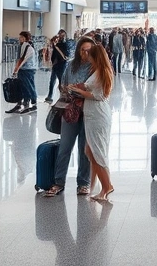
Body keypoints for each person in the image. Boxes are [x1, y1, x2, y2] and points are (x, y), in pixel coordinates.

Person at [44, 37, 93, 197]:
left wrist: (81, 92)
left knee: (84, 149)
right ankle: (59, 182)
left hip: (88, 112)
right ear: (78, 50)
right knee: (65, 147)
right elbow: (62, 85)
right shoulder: (71, 65)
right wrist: (70, 90)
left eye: (89, 50)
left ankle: (83, 183)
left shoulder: (95, 67)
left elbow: (99, 90)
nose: (86, 53)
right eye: (83, 49)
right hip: (70, 110)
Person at [67, 44, 115, 202]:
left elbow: (99, 95)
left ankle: (107, 186)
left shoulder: (103, 72)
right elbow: (91, 86)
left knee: (97, 151)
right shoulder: (96, 70)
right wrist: (80, 86)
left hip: (97, 115)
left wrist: (80, 91)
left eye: (90, 54)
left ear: (96, 57)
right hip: (92, 115)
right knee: (90, 151)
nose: (86, 55)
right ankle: (96, 184)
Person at [7, 31, 38, 114]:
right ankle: (21, 104)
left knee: (28, 86)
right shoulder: (24, 46)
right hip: (26, 69)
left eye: (21, 37)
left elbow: (22, 59)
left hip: (27, 70)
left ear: (24, 38)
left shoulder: (27, 47)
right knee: (22, 87)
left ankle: (32, 104)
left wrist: (16, 70)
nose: (19, 39)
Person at [44, 31, 69, 103]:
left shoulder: (64, 45)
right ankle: (50, 96)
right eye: (60, 35)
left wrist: (56, 47)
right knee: (52, 81)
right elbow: (53, 54)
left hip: (61, 64)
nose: (61, 36)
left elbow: (65, 55)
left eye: (63, 35)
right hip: (56, 64)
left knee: (61, 81)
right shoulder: (56, 44)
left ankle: (62, 95)